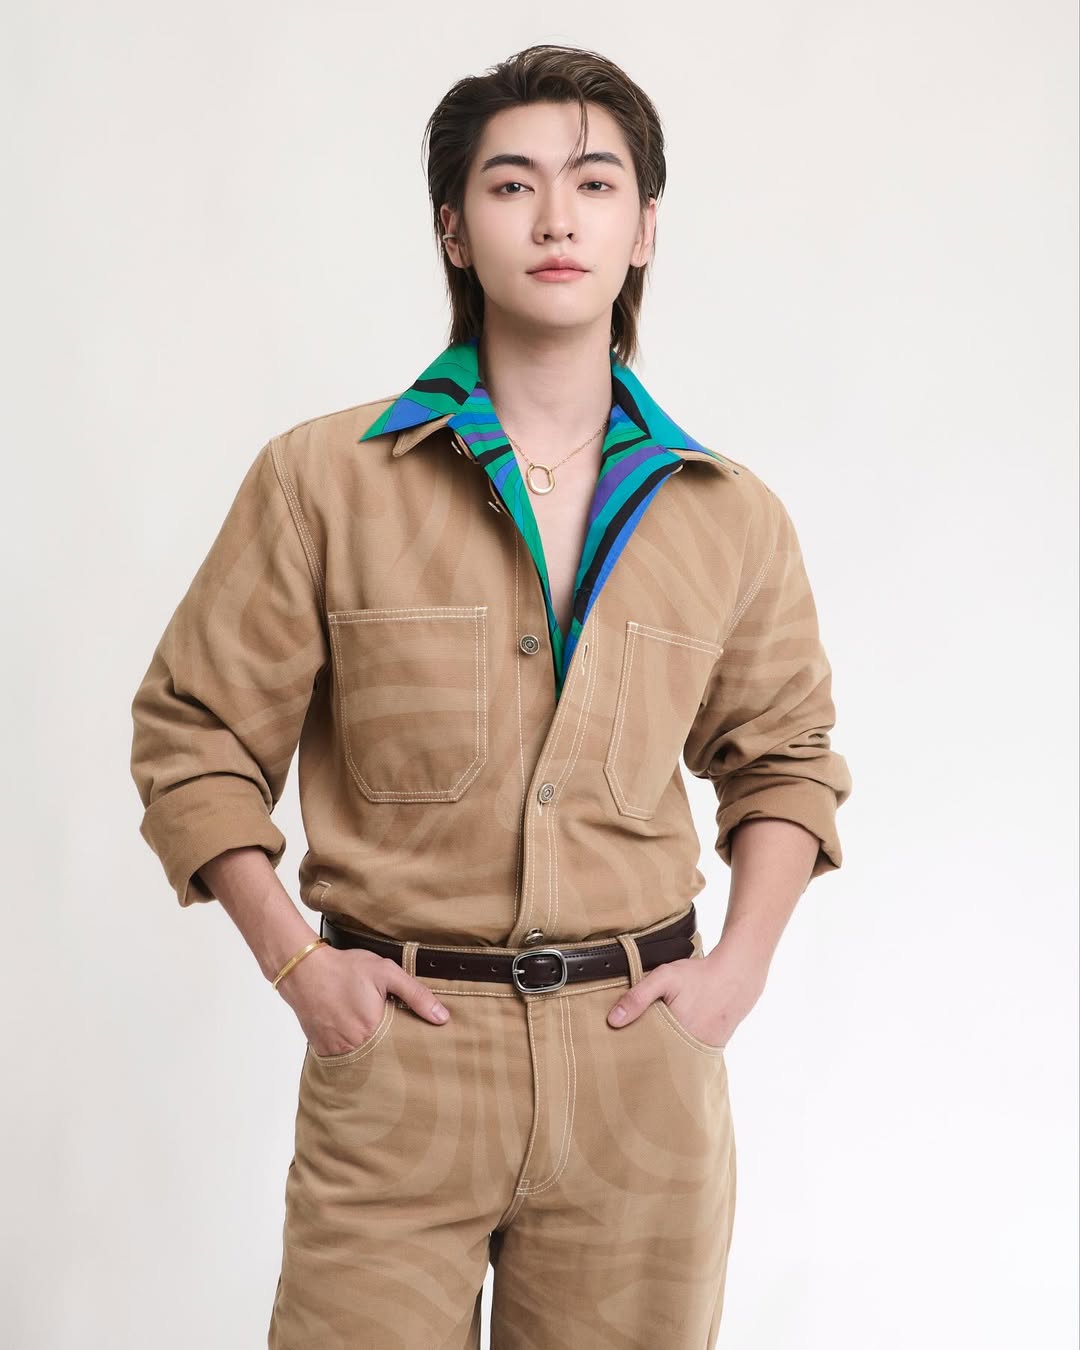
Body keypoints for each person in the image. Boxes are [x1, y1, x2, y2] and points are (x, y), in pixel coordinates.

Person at [129, 42, 852, 1350]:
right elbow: (195, 737)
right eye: (513, 185)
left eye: (596, 183)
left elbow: (787, 758)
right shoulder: (323, 481)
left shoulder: (728, 516)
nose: (558, 218)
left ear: (644, 231)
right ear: (455, 231)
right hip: (401, 1063)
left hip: (641, 1074)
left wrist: (736, 974)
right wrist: (299, 966)